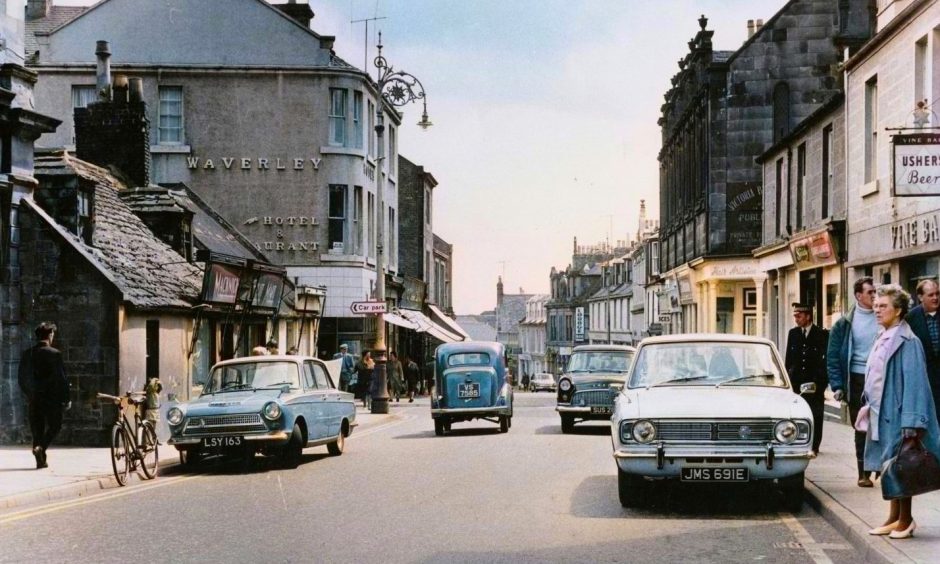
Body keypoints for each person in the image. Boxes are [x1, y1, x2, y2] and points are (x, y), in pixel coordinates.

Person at [859, 284, 940, 539]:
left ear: (899, 311)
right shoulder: (883, 335)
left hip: (899, 414)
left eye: (883, 306)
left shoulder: (908, 341)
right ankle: (894, 517)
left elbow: (915, 383)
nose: (877, 310)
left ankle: (906, 520)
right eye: (876, 306)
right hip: (881, 412)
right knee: (889, 465)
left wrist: (912, 422)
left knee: (903, 465)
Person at [828, 276, 879, 487]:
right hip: (856, 378)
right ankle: (863, 473)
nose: (874, 296)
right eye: (870, 293)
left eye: (876, 292)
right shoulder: (844, 323)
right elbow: (832, 356)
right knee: (861, 426)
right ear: (858, 295)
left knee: (881, 425)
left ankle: (881, 468)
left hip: (878, 377)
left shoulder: (882, 316)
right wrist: (838, 385)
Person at [17, 322, 69, 470]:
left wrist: (30, 394)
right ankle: (41, 448)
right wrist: (66, 398)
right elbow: (62, 379)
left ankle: (40, 460)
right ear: (50, 335)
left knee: (37, 429)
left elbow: (21, 378)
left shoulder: (27, 354)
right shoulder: (55, 354)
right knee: (55, 426)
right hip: (52, 400)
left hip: (34, 398)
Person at [785, 302, 829, 455]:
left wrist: (821, 383)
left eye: (799, 316)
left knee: (816, 414)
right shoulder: (794, 334)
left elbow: (826, 362)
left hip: (814, 383)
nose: (796, 319)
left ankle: (814, 445)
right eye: (795, 316)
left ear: (808, 316)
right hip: (797, 383)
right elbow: (789, 360)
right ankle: (797, 441)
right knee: (796, 414)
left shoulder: (822, 334)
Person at [904, 278, 940, 425]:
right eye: (931, 295)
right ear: (920, 297)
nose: (936, 298)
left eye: (937, 294)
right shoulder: (910, 319)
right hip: (924, 381)